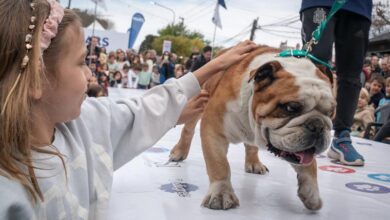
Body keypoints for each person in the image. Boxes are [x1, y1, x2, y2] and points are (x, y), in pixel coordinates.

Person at [0, 1, 256, 219]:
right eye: (80, 63)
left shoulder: (83, 123)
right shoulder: (9, 192)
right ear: (36, 80)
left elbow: (137, 113)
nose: (90, 75)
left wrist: (208, 71)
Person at [300, 0, 373, 166]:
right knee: (314, 65)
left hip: (358, 7)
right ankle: (303, 130)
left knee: (352, 73)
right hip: (319, 3)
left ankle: (342, 137)